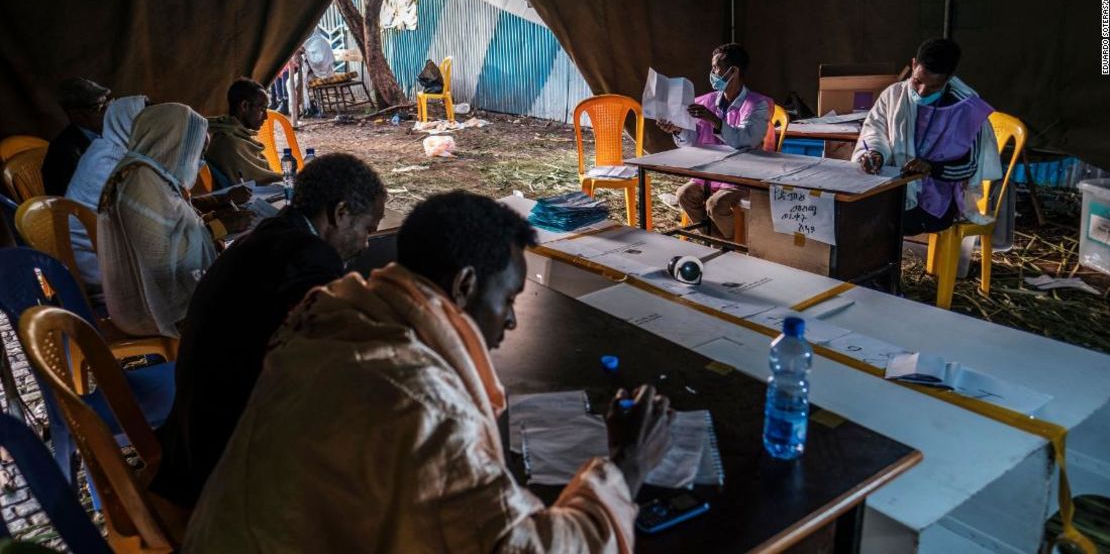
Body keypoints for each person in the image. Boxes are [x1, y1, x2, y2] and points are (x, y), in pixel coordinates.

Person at [182, 191, 672, 553]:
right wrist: (623, 471)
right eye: (507, 300)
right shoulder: (422, 405)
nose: (512, 320)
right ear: (463, 286)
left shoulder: (331, 322)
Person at [152, 153, 388, 507]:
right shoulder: (309, 263)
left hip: (191, 439)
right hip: (224, 470)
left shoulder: (272, 235)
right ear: (340, 214)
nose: (367, 243)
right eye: (368, 229)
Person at [97, 103, 252, 338]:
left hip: (159, 292)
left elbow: (171, 225)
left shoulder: (151, 173)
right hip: (152, 308)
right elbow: (160, 259)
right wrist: (220, 228)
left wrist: (212, 219)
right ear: (173, 143)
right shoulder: (140, 181)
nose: (198, 161)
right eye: (196, 152)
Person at [853, 38, 1000, 235]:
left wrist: (931, 167)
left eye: (932, 87)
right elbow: (875, 130)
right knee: (856, 209)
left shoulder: (965, 108)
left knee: (878, 221)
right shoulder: (894, 94)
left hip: (937, 200)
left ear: (949, 78)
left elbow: (969, 168)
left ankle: (884, 263)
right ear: (913, 64)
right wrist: (874, 153)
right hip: (895, 187)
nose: (921, 91)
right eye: (917, 81)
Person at [657, 43, 777, 239]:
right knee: (684, 195)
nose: (712, 72)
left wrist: (713, 119)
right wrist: (678, 128)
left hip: (743, 175)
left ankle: (738, 244)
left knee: (716, 205)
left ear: (733, 71)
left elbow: (747, 140)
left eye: (716, 68)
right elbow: (692, 141)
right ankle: (719, 242)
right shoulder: (706, 101)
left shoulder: (758, 104)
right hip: (712, 173)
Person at [65, 95, 149, 291]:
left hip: (105, 253)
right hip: (97, 267)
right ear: (129, 123)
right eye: (147, 123)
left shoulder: (108, 149)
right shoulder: (110, 164)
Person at [204, 78, 282, 188]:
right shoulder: (229, 143)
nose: (265, 117)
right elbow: (260, 181)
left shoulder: (239, 136)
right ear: (244, 106)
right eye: (262, 109)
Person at [42, 77, 111, 195]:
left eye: (107, 103)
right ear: (76, 114)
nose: (108, 111)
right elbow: (78, 200)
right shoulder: (64, 152)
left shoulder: (106, 135)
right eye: (99, 107)